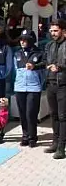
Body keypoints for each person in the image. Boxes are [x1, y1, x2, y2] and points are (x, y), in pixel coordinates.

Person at [14, 30, 44, 148]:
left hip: (33, 87)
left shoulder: (39, 53)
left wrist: (35, 73)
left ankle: (32, 137)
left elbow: (44, 70)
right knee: (22, 113)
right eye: (21, 39)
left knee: (31, 113)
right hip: (20, 87)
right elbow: (14, 70)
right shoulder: (17, 53)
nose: (22, 42)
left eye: (25, 40)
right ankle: (25, 136)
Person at [44, 20, 66, 159]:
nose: (53, 33)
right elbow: (46, 61)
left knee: (63, 116)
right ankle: (55, 142)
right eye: (51, 30)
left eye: (56, 30)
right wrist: (35, 65)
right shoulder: (50, 45)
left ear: (63, 31)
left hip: (63, 84)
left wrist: (59, 67)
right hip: (50, 83)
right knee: (54, 115)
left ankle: (61, 147)